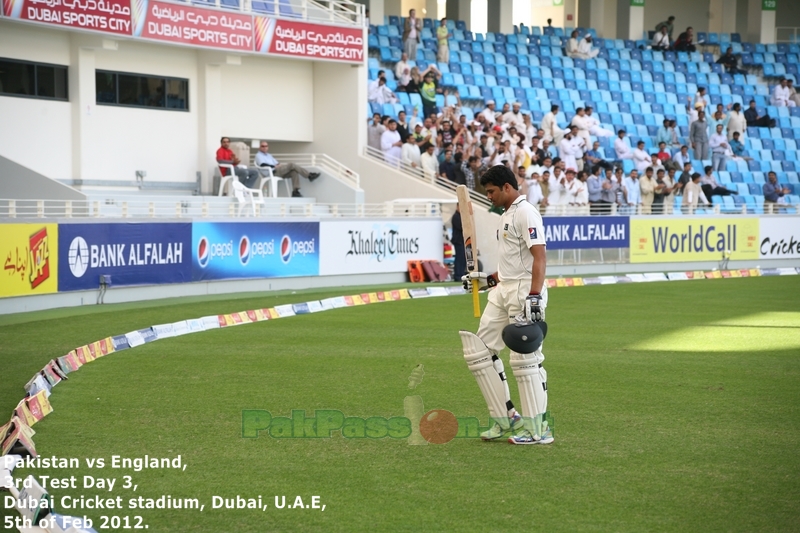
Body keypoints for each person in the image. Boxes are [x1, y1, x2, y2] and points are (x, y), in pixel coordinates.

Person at [459, 165, 553, 445]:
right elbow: (511, 263)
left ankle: (539, 430)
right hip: (503, 290)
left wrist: (534, 295)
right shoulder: (505, 216)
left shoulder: (526, 212)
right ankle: (506, 419)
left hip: (525, 289)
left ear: (507, 188)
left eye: (491, 191)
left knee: (524, 358)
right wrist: (486, 280)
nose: (488, 196)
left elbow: (539, 258)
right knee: (479, 351)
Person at [255, 141, 320, 198]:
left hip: (278, 171)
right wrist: (274, 166)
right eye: (262, 146)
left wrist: (278, 165)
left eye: (266, 146)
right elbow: (262, 164)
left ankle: (295, 191)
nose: (264, 147)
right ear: (259, 147)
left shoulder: (269, 155)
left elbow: (277, 163)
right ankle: (309, 175)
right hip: (272, 172)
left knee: (294, 172)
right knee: (291, 165)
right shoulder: (258, 155)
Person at [450, 205, 465, 280]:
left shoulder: (459, 216)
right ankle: (458, 275)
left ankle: (461, 274)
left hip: (461, 241)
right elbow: (461, 227)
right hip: (458, 240)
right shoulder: (456, 217)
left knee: (462, 258)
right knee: (459, 258)